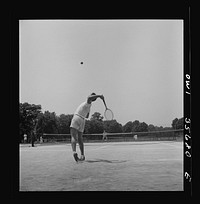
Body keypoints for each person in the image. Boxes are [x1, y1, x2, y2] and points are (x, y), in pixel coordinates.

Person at [70, 93, 104, 162]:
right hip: (82, 120)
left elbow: (89, 97)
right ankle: (82, 155)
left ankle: (74, 152)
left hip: (77, 117)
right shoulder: (89, 106)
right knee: (80, 138)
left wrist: (99, 96)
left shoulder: (87, 102)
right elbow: (87, 116)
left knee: (73, 136)